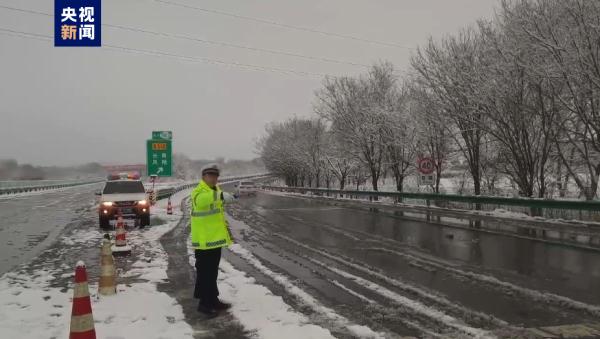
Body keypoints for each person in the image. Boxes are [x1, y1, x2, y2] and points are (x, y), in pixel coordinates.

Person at [190, 163, 237, 316]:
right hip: (203, 242)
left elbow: (215, 205)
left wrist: (229, 197)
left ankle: (213, 299)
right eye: (209, 175)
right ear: (203, 177)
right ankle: (204, 304)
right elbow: (202, 201)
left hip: (214, 240)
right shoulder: (199, 191)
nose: (212, 178)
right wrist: (221, 196)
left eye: (215, 176)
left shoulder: (215, 190)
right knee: (205, 274)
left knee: (212, 273)